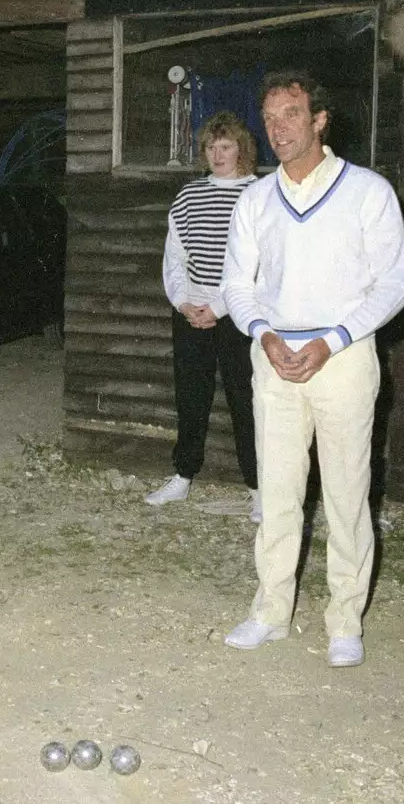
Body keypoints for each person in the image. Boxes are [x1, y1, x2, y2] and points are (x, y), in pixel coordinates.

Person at [218, 71, 404, 669]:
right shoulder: (254, 199)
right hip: (273, 358)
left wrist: (333, 341)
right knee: (277, 491)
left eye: (292, 115)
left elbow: (394, 285)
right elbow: (236, 285)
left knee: (348, 493)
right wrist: (264, 333)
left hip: (344, 359)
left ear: (320, 119)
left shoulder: (367, 191)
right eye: (270, 118)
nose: (278, 129)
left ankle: (345, 620)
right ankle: (271, 611)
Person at [144, 112, 261, 522]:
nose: (218, 154)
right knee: (190, 399)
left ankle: (259, 489)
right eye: (211, 146)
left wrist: (220, 307)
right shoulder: (189, 195)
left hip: (238, 316)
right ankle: (182, 476)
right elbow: (174, 258)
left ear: (242, 149)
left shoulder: (258, 195)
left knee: (246, 401)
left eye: (226, 146)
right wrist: (182, 303)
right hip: (191, 312)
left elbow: (257, 265)